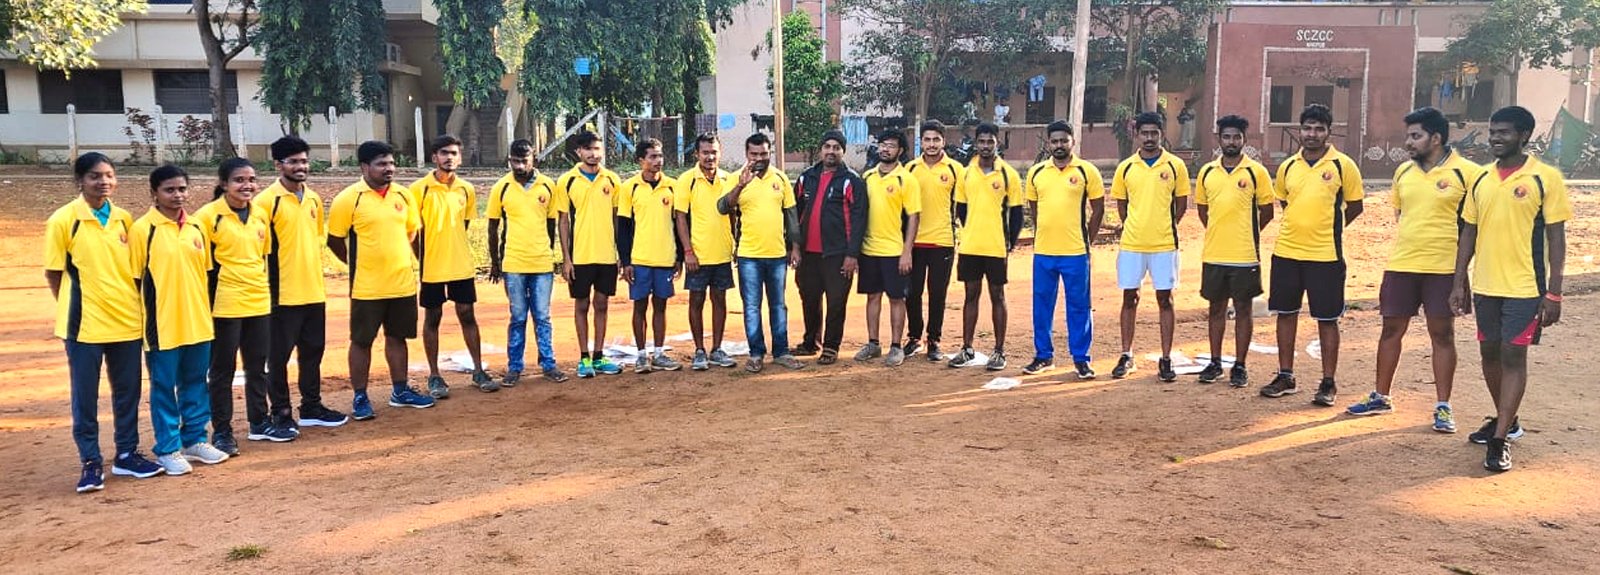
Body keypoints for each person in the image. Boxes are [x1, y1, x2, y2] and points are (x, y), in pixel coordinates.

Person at [1451, 105, 1570, 472]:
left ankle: (1500, 439)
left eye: (1503, 132)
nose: (1495, 138)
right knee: (1489, 353)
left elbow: (1556, 239)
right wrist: (1459, 280)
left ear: (1524, 135)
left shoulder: (1545, 178)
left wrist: (1554, 293)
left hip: (1525, 288)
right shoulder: (1481, 179)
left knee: (1513, 356)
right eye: (1492, 132)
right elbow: (1468, 231)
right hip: (1486, 285)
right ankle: (1508, 418)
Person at [1348, 107, 1480, 432]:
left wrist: (1460, 277)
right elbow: (1401, 215)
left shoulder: (1468, 174)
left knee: (1442, 335)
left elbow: (1472, 227)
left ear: (1436, 138)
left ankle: (1443, 407)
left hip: (1443, 269)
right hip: (1402, 264)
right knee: (1390, 330)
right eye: (1407, 136)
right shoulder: (1403, 172)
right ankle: (1381, 396)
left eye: (1415, 136)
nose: (1408, 142)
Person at [45, 152, 162, 492]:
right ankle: (91, 461)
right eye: (95, 176)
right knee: (85, 395)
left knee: (128, 391)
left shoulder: (124, 219)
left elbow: (135, 271)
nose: (104, 182)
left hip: (126, 321)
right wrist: (73, 306)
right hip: (84, 325)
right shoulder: (64, 220)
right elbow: (54, 272)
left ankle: (126, 454)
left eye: (109, 175)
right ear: (80, 181)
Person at [1260, 104, 1365, 405]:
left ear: (1329, 132)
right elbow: (1285, 202)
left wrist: (1327, 228)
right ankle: (1286, 376)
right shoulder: (1288, 166)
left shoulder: (1344, 166)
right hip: (1287, 252)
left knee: (1327, 319)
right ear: (1300, 130)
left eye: (1319, 129)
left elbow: (1355, 207)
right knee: (1285, 314)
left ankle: (1328, 383)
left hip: (1326, 256)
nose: (1312, 134)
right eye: (1307, 128)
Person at [132, 164, 231, 476]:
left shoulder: (197, 228)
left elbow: (206, 274)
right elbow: (134, 280)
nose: (177, 195)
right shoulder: (142, 230)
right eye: (169, 190)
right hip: (161, 326)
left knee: (195, 383)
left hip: (198, 322)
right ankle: (168, 448)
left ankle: (195, 440)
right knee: (163, 387)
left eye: (182, 189)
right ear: (154, 193)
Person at [327, 141, 436, 419]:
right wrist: (357, 264)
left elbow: (412, 232)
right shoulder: (349, 199)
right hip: (367, 287)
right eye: (381, 164)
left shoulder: (403, 195)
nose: (389, 169)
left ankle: (400, 391)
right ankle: (360, 397)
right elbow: (334, 240)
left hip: (402, 283)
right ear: (365, 167)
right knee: (361, 341)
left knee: (398, 337)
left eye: (391, 163)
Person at [195, 158, 290, 455]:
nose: (247, 185)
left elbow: (263, 258)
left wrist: (269, 297)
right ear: (224, 184)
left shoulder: (260, 214)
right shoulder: (208, 217)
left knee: (257, 366)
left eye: (251, 180)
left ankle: (259, 422)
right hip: (224, 304)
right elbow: (202, 266)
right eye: (239, 180)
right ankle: (222, 431)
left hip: (257, 300)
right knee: (222, 370)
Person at [258, 136, 348, 430]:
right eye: (293, 161)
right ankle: (281, 412)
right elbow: (259, 250)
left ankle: (311, 406)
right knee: (278, 358)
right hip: (282, 294)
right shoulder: (265, 202)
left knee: (312, 352)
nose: (301, 167)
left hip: (313, 291)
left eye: (304, 161)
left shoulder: (312, 199)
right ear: (278, 165)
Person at [1193, 115, 1275, 387]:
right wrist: (1220, 231)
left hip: (1245, 255)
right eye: (1226, 137)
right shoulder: (1207, 172)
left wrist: (1247, 233)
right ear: (1219, 139)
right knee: (1216, 308)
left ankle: (1240, 365)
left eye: (1236, 137)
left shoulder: (1256, 172)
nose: (1231, 142)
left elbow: (1267, 211)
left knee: (1243, 309)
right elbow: (1203, 211)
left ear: (1244, 140)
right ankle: (1215, 362)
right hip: (1214, 254)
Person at [1109, 112, 1191, 381]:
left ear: (1161, 134)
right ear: (1137, 135)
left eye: (1154, 133)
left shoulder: (1175, 166)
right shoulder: (1126, 168)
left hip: (1165, 244)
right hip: (1132, 245)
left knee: (1165, 299)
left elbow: (1181, 205)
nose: (1149, 138)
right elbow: (1122, 206)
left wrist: (1164, 227)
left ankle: (1165, 359)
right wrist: (1136, 226)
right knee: (1129, 298)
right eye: (1144, 133)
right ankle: (1126, 355)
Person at [1023, 120, 1105, 378]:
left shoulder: (1086, 171)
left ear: (1073, 142)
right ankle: (1043, 356)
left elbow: (1098, 209)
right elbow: (1034, 209)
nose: (1059, 145)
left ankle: (1081, 359)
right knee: (1042, 305)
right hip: (1044, 252)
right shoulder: (1037, 173)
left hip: (1076, 253)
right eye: (1054, 141)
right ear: (1048, 144)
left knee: (1079, 306)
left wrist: (1087, 240)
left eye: (1063, 140)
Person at [413, 135, 493, 396]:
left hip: (460, 264)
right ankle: (435, 376)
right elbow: (413, 231)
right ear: (434, 157)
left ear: (460, 158)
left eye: (454, 153)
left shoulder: (466, 189)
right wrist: (423, 258)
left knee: (467, 314)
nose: (449, 157)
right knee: (433, 317)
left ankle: (479, 371)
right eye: (444, 153)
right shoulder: (419, 189)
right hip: (432, 266)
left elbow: (464, 225)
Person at [719, 133, 805, 373]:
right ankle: (756, 353)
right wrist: (740, 185)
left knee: (778, 305)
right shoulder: (736, 178)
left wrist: (795, 247)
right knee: (751, 307)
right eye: (754, 154)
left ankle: (781, 352)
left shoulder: (780, 178)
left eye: (764, 154)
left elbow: (791, 216)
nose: (759, 158)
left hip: (777, 256)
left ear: (770, 153)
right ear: (747, 154)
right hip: (748, 256)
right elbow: (723, 207)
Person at [487, 139, 569, 384]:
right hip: (513, 263)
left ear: (534, 159)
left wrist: (549, 253)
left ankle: (549, 364)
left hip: (542, 263)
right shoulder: (501, 187)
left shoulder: (548, 186)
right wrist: (495, 263)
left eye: (524, 161)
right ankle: (514, 367)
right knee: (518, 317)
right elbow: (492, 227)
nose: (520, 166)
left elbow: (552, 224)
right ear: (509, 160)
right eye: (515, 161)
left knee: (542, 316)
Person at [948, 122, 1023, 371]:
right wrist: (971, 231)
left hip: (996, 247)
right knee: (970, 295)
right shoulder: (965, 173)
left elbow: (1016, 213)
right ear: (976, 143)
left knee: (997, 296)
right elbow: (961, 209)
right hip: (970, 246)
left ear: (997, 143)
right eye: (981, 141)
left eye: (990, 141)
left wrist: (1009, 242)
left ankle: (999, 351)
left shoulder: (1008, 174)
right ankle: (967, 348)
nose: (986, 146)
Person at [793, 130, 868, 365]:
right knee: (809, 298)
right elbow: (794, 214)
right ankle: (810, 342)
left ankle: (831, 346)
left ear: (843, 151)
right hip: (808, 254)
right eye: (827, 147)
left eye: (836, 147)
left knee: (836, 302)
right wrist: (794, 247)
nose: (831, 151)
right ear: (821, 149)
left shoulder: (852, 181)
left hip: (838, 255)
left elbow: (859, 220)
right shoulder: (806, 177)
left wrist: (852, 255)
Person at [556, 131, 627, 378]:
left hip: (606, 255)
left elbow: (617, 220)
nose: (593, 154)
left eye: (597, 149)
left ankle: (598, 356)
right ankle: (584, 357)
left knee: (602, 304)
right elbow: (563, 221)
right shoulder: (567, 181)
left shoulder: (612, 180)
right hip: (580, 255)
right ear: (578, 152)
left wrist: (621, 253)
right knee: (582, 304)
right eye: (588, 149)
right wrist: (566, 258)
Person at [674, 133, 740, 371]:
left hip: (722, 252)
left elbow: (733, 214)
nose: (710, 157)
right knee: (697, 300)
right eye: (705, 152)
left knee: (719, 300)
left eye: (714, 152)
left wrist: (734, 244)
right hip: (698, 255)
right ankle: (699, 350)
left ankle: (717, 349)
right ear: (697, 154)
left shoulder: (729, 179)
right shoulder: (687, 180)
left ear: (720, 153)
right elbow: (680, 217)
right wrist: (688, 251)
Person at [618, 139, 684, 373]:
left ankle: (658, 353)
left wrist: (679, 257)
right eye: (652, 157)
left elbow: (679, 224)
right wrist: (626, 262)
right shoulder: (630, 188)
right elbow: (623, 228)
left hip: (665, 258)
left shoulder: (673, 186)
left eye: (660, 156)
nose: (658, 161)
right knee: (640, 306)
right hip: (640, 260)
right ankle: (640, 355)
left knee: (661, 306)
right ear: (641, 160)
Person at [856, 129, 921, 366]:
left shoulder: (906, 179)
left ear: (900, 150)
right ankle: (873, 343)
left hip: (894, 251)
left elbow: (913, 217)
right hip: (868, 250)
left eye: (891, 145)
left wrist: (907, 252)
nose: (885, 149)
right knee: (872, 297)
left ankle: (895, 346)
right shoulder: (868, 177)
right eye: (882, 144)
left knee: (896, 298)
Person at [905, 120, 962, 362]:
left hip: (943, 241)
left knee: (937, 293)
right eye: (927, 139)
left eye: (936, 139)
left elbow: (962, 206)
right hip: (914, 243)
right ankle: (914, 337)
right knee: (912, 292)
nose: (931, 144)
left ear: (943, 141)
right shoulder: (910, 169)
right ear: (921, 142)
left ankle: (934, 340)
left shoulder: (955, 170)